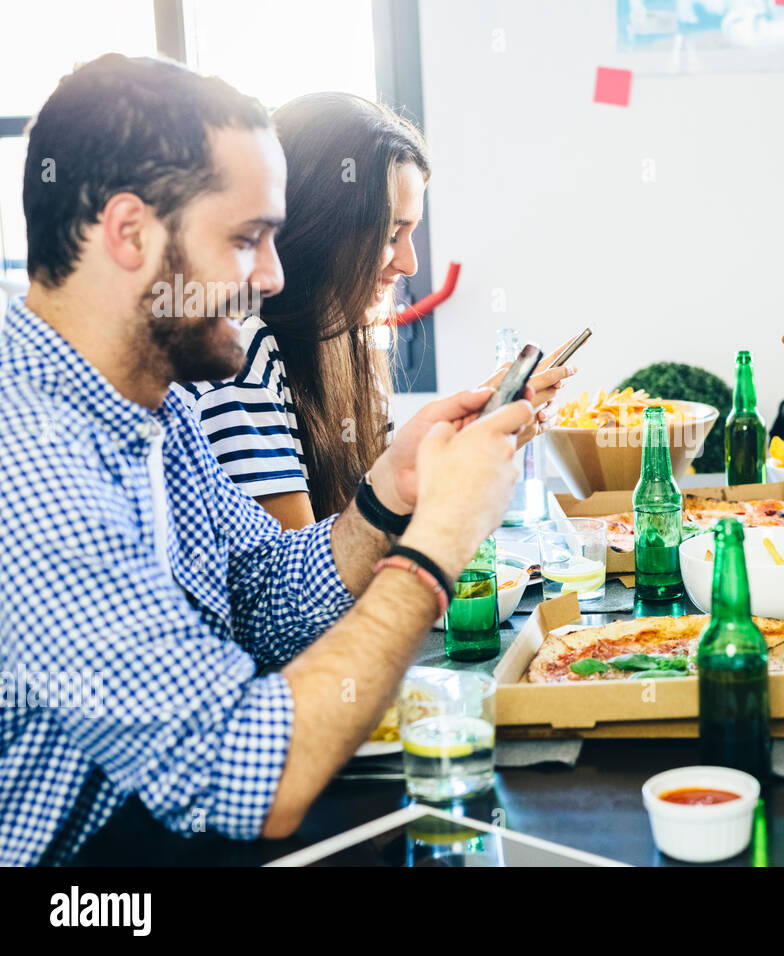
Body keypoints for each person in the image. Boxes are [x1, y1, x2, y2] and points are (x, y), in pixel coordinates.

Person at [0, 54, 529, 865]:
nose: (273, 277)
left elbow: (258, 591)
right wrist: (439, 543)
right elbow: (244, 775)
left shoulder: (159, 407)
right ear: (130, 233)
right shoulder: (31, 459)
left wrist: (391, 495)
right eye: (246, 240)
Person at [181, 92, 574, 529]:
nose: (409, 264)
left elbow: (374, 530)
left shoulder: (354, 355)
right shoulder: (240, 361)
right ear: (318, 226)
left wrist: (463, 440)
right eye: (390, 234)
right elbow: (301, 585)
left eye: (411, 233)